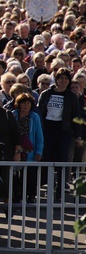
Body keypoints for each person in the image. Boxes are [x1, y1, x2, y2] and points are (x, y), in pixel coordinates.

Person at [38, 68, 82, 196]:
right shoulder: (46, 94)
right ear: (56, 79)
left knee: (63, 158)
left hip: (64, 131)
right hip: (48, 130)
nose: (63, 81)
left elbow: (76, 115)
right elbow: (40, 111)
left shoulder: (71, 97)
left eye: (66, 79)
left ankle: (61, 187)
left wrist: (78, 135)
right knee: (47, 157)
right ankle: (48, 185)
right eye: (61, 78)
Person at [12, 93, 44, 201]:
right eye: (23, 103)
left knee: (29, 174)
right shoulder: (13, 115)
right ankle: (17, 196)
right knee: (15, 175)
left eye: (28, 103)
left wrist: (39, 151)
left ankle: (31, 195)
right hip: (16, 149)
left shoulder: (35, 117)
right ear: (19, 104)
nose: (26, 106)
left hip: (30, 150)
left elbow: (39, 136)